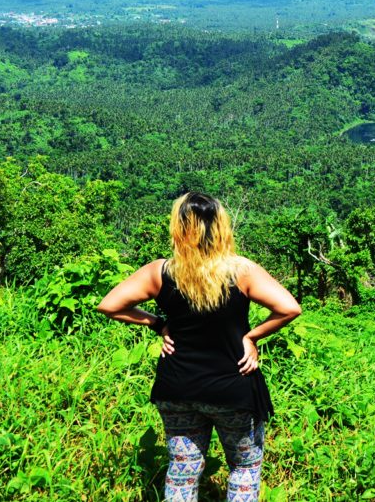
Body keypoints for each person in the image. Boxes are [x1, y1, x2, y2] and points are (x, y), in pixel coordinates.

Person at [97, 192, 301, 502]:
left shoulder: (160, 272)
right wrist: (252, 337)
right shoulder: (241, 271)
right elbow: (289, 308)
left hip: (178, 388)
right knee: (244, 468)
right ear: (221, 227)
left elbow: (110, 305)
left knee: (182, 469)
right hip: (232, 386)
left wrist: (156, 323)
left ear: (178, 228)